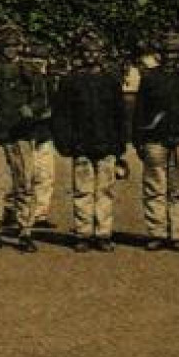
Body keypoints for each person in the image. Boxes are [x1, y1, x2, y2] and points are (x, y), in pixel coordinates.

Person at [0, 28, 48, 253]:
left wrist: (32, 109)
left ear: (20, 47)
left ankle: (25, 231)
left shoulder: (30, 70)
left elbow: (41, 100)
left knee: (25, 183)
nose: (11, 49)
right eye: (7, 46)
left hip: (22, 134)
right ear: (1, 47)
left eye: (15, 45)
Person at [134, 37, 179, 252]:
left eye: (175, 52)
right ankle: (156, 234)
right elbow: (140, 112)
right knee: (154, 188)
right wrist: (138, 141)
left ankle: (177, 235)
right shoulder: (149, 78)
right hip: (154, 140)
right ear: (159, 53)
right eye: (166, 52)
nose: (170, 56)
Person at [54, 53, 129, 251]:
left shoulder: (111, 81)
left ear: (101, 55)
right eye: (85, 51)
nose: (90, 56)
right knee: (82, 191)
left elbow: (120, 114)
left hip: (107, 144)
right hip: (81, 145)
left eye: (94, 52)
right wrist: (64, 142)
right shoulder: (70, 81)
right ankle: (83, 234)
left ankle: (103, 234)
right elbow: (61, 114)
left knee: (105, 190)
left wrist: (121, 145)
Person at [30, 51, 63, 230]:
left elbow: (57, 106)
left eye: (41, 60)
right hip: (27, 133)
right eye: (35, 60)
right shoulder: (23, 80)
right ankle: (14, 211)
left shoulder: (51, 82)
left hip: (45, 134)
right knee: (24, 175)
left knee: (46, 175)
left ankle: (40, 214)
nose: (38, 64)